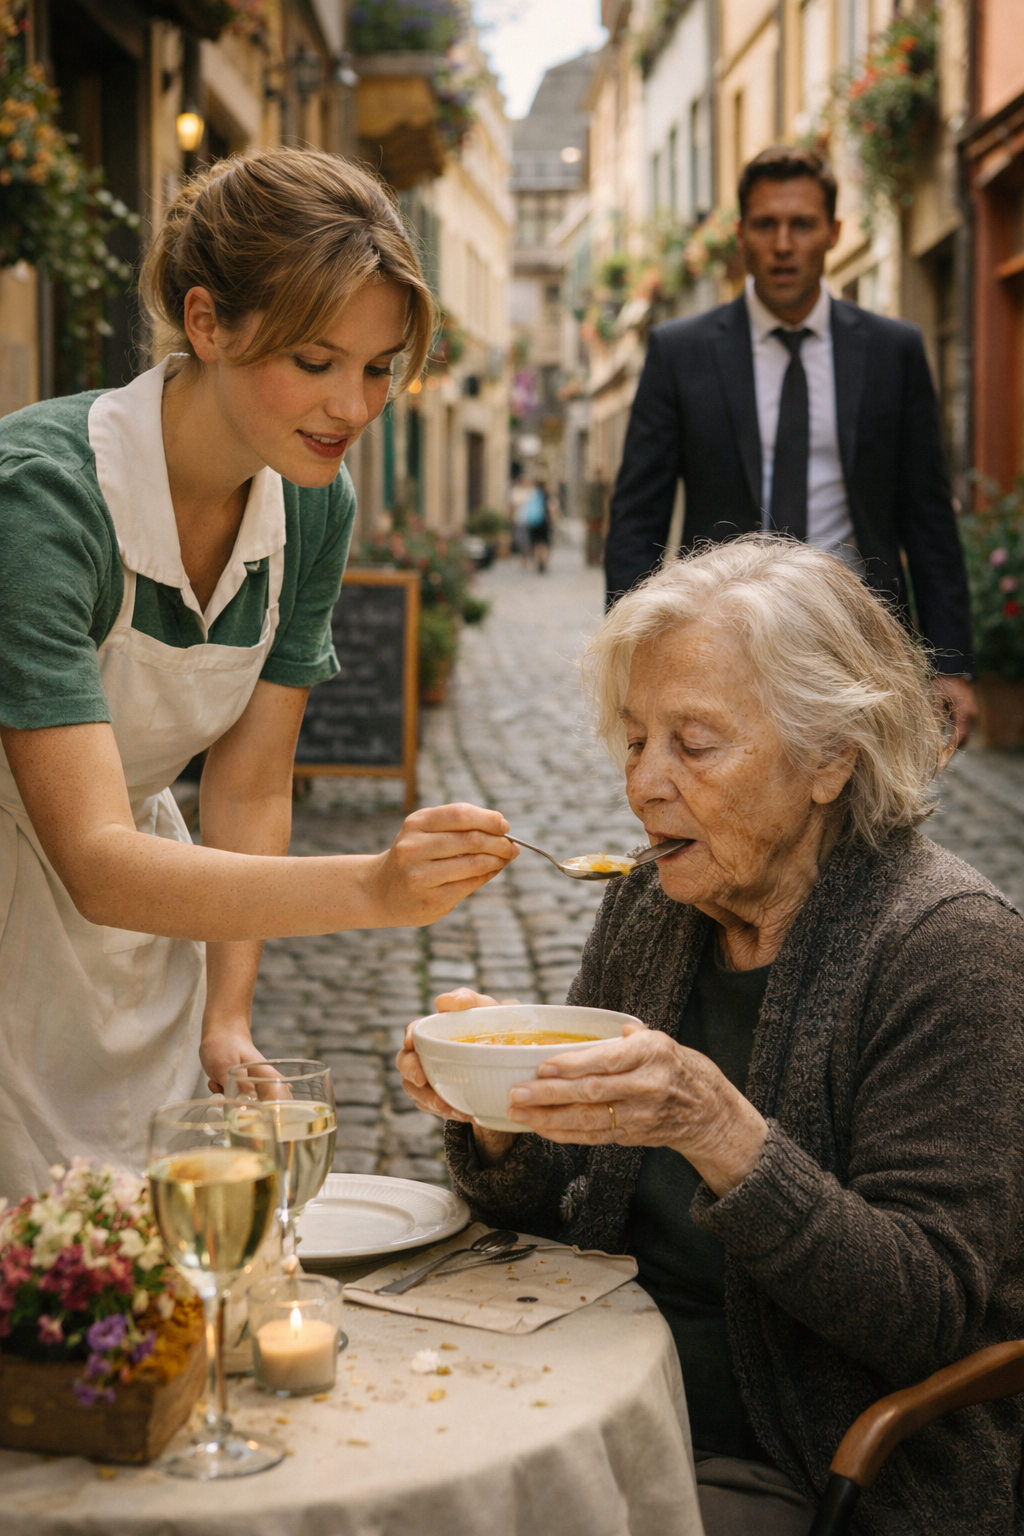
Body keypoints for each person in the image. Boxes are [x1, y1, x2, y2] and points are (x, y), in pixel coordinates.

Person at [398, 537, 1024, 1536]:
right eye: (636, 737)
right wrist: (493, 1115)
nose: (642, 782)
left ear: (828, 759)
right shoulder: (652, 903)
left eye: (693, 744)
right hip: (584, 1400)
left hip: (798, 1462)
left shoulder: (946, 945)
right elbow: (551, 1208)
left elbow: (923, 1312)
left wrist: (718, 1130)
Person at [0, 149, 516, 1203]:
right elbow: (95, 859)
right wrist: (372, 889)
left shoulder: (311, 504)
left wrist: (225, 1013)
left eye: (376, 368)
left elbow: (248, 787)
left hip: (141, 929)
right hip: (51, 883)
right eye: (317, 360)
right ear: (206, 323)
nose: (353, 406)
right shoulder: (44, 502)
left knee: (138, 1253)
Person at [603, 145, 977, 746]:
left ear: (832, 232)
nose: (783, 244)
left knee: (864, 828)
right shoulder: (682, 352)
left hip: (858, 643)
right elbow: (637, 516)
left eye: (801, 225)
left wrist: (952, 663)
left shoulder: (892, 352)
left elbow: (928, 517)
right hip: (723, 640)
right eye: (765, 224)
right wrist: (630, 656)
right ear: (741, 235)